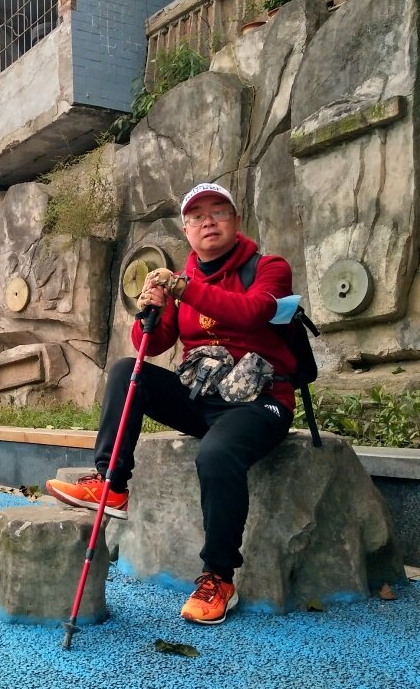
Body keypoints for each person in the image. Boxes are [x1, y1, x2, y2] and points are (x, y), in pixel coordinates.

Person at [46, 182, 296, 625]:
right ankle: (111, 483)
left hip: (259, 403)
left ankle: (218, 577)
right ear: (186, 230)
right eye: (197, 216)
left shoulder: (268, 268)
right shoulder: (184, 281)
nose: (208, 222)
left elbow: (253, 312)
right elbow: (154, 344)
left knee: (217, 454)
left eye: (218, 212)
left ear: (236, 221)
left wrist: (182, 288)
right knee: (127, 371)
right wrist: (150, 312)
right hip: (202, 397)